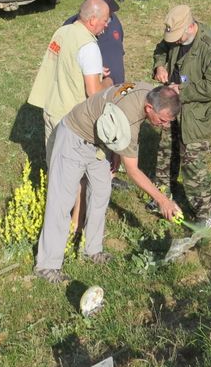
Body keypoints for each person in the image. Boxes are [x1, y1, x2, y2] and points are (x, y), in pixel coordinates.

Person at [34, 84, 182, 283]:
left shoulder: (152, 92)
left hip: (99, 144)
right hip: (74, 138)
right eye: (163, 120)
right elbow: (133, 171)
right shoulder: (128, 118)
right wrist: (163, 201)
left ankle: (92, 250)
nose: (164, 125)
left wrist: (116, 152)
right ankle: (47, 265)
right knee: (61, 201)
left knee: (101, 193)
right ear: (149, 108)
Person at [152, 4, 211, 227]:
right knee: (167, 150)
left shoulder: (209, 47)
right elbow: (160, 49)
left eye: (177, 37)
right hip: (174, 104)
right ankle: (162, 197)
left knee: (191, 161)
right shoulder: (176, 38)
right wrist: (159, 66)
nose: (173, 41)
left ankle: (208, 212)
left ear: (190, 27)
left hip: (197, 113)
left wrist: (182, 91)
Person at [27, 0, 111, 153]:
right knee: (72, 171)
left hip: (52, 110)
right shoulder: (88, 46)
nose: (106, 25)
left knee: (54, 166)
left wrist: (93, 69)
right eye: (105, 20)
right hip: (72, 120)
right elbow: (93, 92)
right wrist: (108, 83)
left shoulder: (62, 32)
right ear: (93, 20)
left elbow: (65, 62)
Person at [63, 0, 125, 85]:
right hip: (94, 94)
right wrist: (93, 70)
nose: (110, 15)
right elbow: (66, 63)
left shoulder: (114, 21)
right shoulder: (71, 27)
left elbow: (119, 50)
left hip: (117, 92)